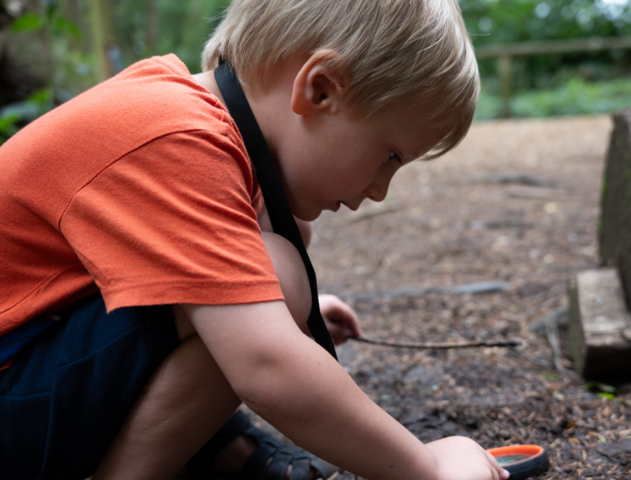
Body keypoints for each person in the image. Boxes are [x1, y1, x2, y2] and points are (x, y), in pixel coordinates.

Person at [0, 1, 509, 479]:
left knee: (271, 251)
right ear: (321, 89)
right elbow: (268, 365)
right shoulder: (178, 138)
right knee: (275, 272)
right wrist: (426, 467)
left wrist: (272, 311)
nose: (379, 190)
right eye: (390, 157)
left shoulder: (176, 105)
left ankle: (225, 451)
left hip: (25, 371)